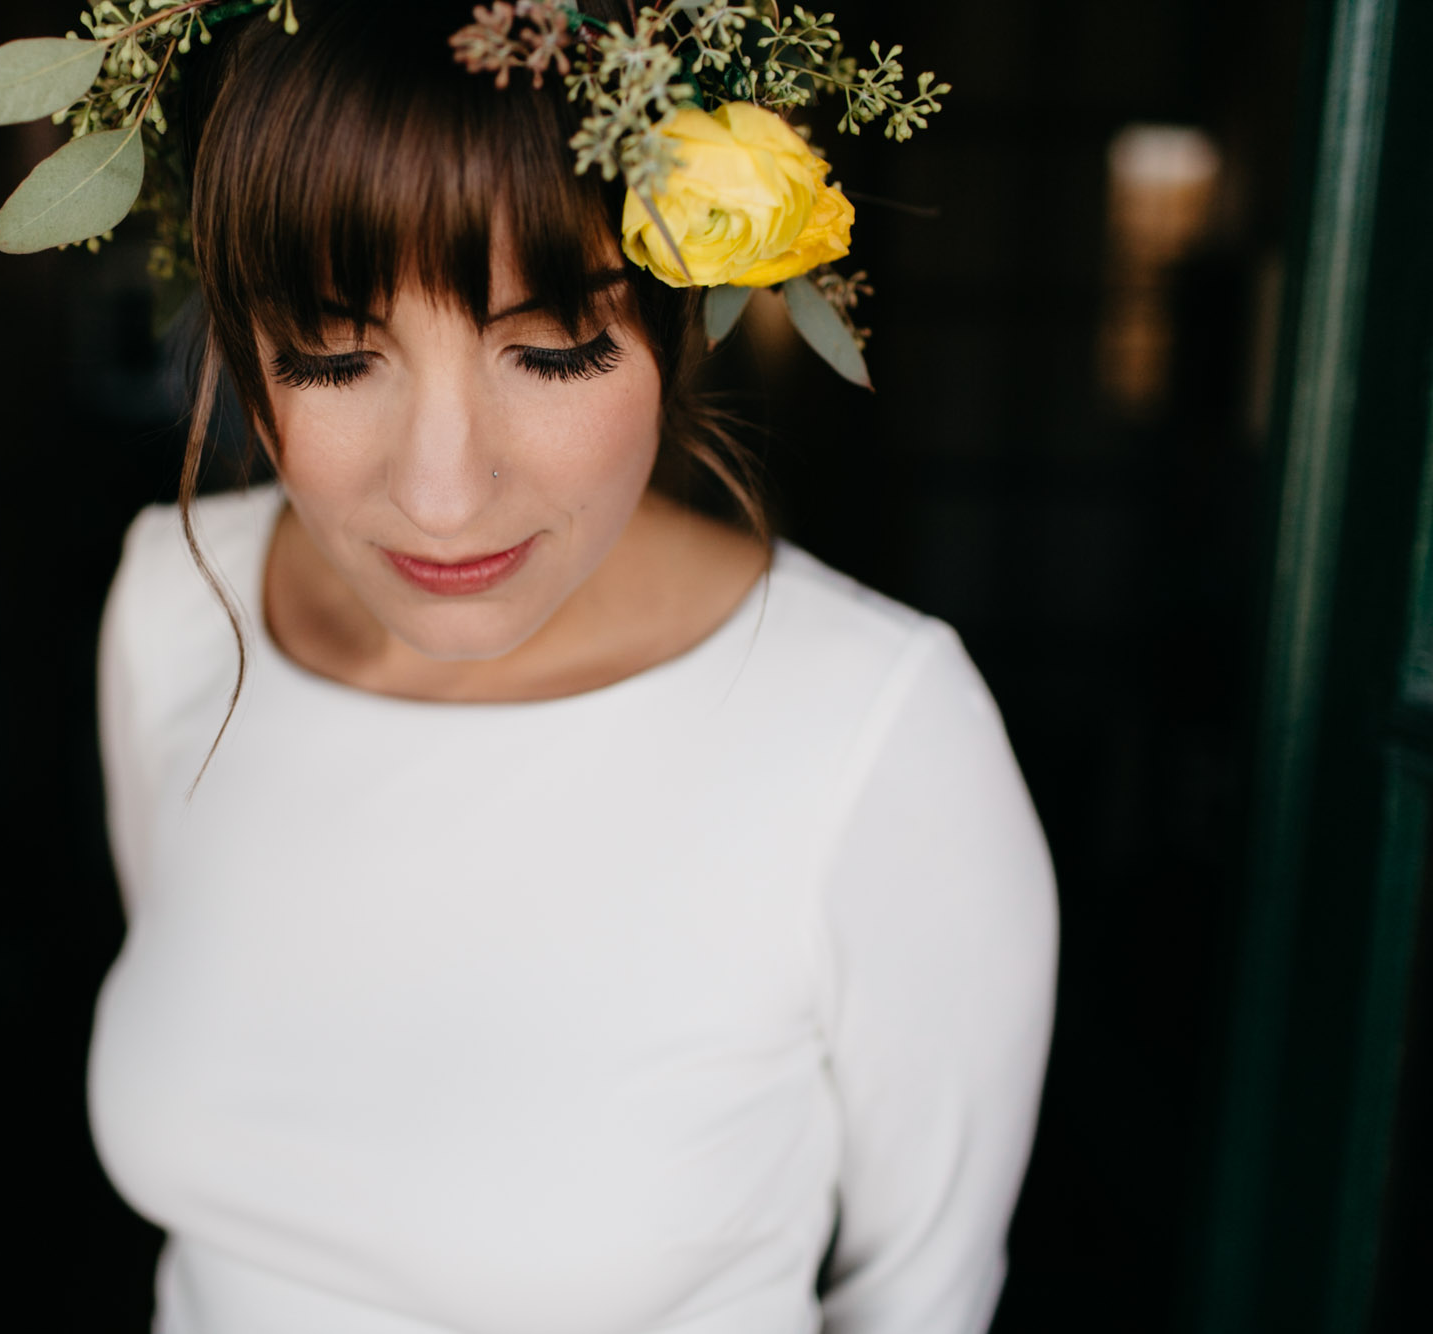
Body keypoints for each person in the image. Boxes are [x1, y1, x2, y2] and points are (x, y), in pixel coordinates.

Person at [81, 5, 1058, 1332]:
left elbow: (921, 1301)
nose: (441, 493)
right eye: (336, 351)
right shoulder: (175, 610)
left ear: (680, 316)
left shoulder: (874, 729)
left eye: (549, 350)